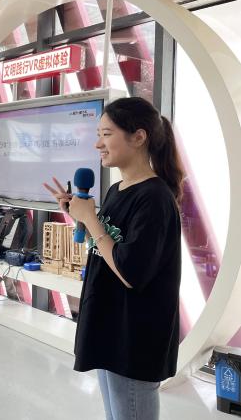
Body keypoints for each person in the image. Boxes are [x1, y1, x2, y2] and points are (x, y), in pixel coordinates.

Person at [44, 97, 184, 420]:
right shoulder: (116, 190)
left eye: (106, 134)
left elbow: (130, 270)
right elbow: (106, 247)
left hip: (134, 337)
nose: (98, 144)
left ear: (139, 137)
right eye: (98, 135)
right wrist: (79, 215)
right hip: (110, 326)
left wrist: (91, 220)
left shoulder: (155, 198)